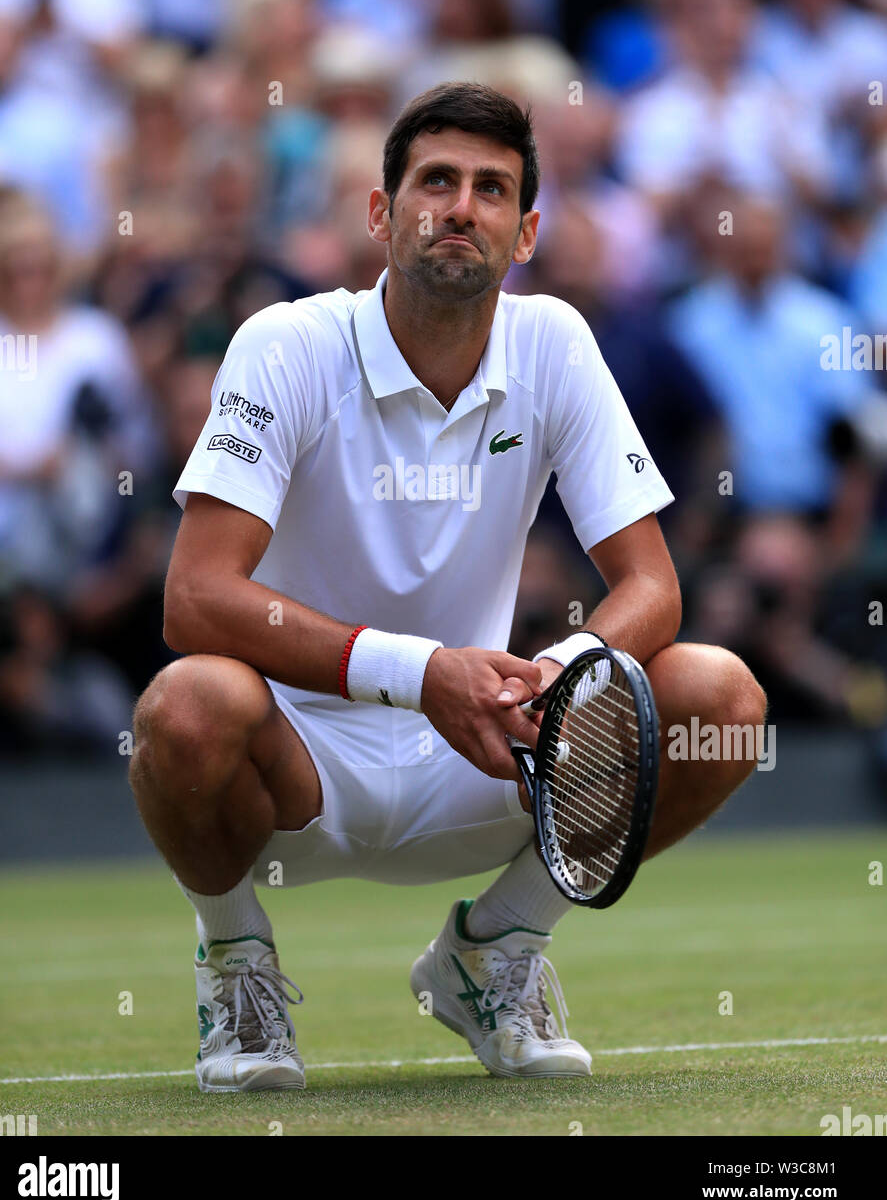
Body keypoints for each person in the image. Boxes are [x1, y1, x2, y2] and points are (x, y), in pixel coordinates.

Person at [130, 82, 766, 1091]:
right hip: (298, 764)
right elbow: (195, 598)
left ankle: (495, 950)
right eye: (435, 182)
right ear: (382, 215)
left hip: (487, 749)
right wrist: (421, 670)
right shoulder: (284, 343)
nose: (460, 207)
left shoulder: (555, 341)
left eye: (490, 189)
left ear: (524, 233)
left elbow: (652, 585)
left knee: (722, 697)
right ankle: (235, 961)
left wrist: (554, 678)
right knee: (185, 704)